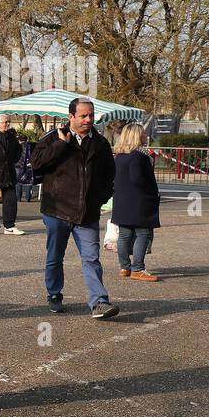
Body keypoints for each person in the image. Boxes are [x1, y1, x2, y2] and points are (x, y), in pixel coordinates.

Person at [31, 97, 118, 318]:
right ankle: (54, 294)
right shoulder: (53, 138)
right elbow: (37, 163)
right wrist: (61, 145)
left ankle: (99, 302)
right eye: (83, 116)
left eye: (91, 115)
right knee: (55, 257)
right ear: (71, 117)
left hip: (87, 213)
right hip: (57, 210)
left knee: (91, 258)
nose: (89, 119)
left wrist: (99, 198)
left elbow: (109, 175)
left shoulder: (100, 143)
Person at [111, 122, 161, 281]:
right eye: (143, 133)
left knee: (125, 235)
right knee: (143, 233)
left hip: (122, 200)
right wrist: (151, 191)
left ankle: (124, 266)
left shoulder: (120, 155)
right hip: (139, 200)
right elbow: (137, 177)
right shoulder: (139, 156)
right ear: (136, 136)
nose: (146, 136)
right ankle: (138, 268)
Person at [15, 131, 36, 203]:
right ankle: (28, 197)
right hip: (28, 165)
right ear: (27, 139)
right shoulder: (31, 146)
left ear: (19, 140)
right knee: (28, 181)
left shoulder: (17, 146)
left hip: (18, 165)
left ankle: (18, 198)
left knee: (18, 182)